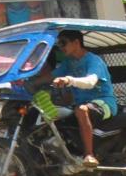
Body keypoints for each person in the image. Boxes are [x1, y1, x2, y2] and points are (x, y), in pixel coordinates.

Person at [49, 29, 115, 168]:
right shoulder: (69, 62)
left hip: (104, 102)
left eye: (63, 43)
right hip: (79, 103)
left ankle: (89, 155)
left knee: (81, 110)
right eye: (59, 44)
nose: (61, 47)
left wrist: (69, 80)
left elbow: (90, 82)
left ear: (76, 42)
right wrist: (25, 81)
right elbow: (49, 77)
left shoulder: (93, 60)